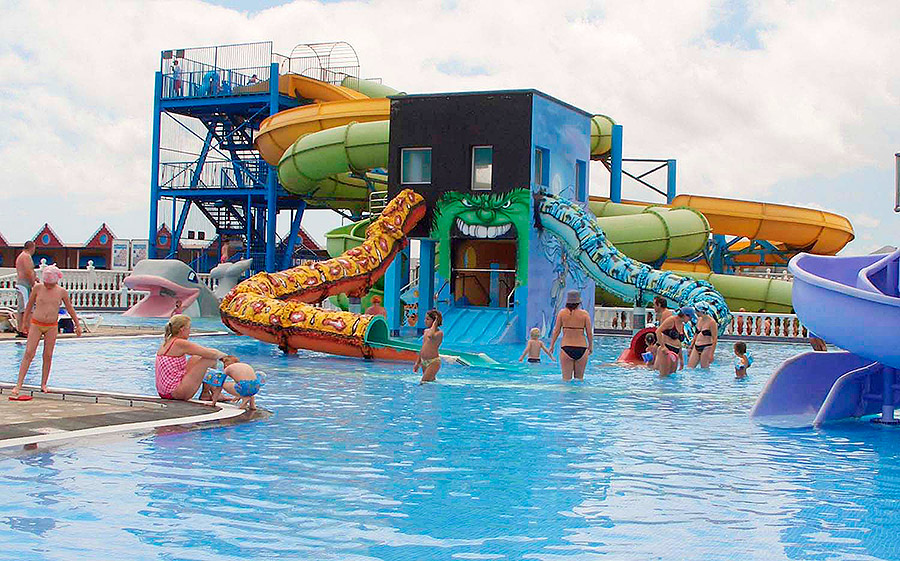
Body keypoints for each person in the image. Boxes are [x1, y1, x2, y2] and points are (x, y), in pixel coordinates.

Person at [10, 266, 81, 399]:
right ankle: (18, 384)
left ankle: (43, 384)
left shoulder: (61, 292)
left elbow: (70, 308)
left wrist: (77, 324)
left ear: (56, 281)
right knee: (29, 353)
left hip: (52, 326)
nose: (48, 286)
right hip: (37, 324)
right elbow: (29, 305)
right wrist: (24, 323)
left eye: (50, 284)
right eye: (46, 283)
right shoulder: (38, 288)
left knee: (47, 355)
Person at [155, 314, 230, 400]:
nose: (190, 331)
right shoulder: (179, 343)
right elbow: (211, 353)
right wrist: (227, 358)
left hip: (165, 392)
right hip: (175, 392)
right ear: (182, 329)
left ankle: (208, 393)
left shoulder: (168, 341)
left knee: (197, 357)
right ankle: (209, 393)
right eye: (189, 328)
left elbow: (202, 352)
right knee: (210, 359)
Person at [549, 290, 593, 381]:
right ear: (579, 302)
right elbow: (589, 332)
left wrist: (552, 345)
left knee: (566, 380)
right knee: (579, 379)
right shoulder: (585, 314)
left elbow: (556, 331)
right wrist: (591, 346)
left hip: (566, 348)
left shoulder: (562, 313)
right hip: (582, 348)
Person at [655, 306, 695, 377]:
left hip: (676, 351)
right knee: (664, 376)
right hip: (666, 350)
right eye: (690, 318)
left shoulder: (682, 325)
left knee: (672, 375)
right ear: (685, 315)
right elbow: (658, 331)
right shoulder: (671, 320)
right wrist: (663, 347)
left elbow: (679, 342)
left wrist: (681, 359)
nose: (690, 320)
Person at [14, 241, 38, 338]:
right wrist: (33, 284)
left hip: (22, 284)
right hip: (25, 285)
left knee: (22, 308)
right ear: (32, 247)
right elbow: (29, 272)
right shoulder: (26, 256)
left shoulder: (22, 256)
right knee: (27, 308)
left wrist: (35, 279)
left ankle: (21, 329)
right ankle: (25, 330)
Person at [415, 309, 443, 383]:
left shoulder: (439, 333)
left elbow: (431, 336)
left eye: (428, 319)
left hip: (433, 362)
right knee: (430, 382)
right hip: (424, 361)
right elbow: (423, 347)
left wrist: (435, 323)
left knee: (423, 382)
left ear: (434, 321)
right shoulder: (426, 331)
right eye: (425, 318)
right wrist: (418, 362)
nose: (425, 321)